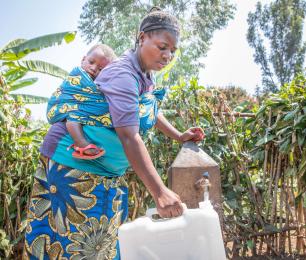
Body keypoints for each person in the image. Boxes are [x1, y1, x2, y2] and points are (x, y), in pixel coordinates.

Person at [23, 7, 204, 259]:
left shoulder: (144, 75)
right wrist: (159, 191)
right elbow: (129, 135)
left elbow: (148, 107)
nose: (168, 55)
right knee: (68, 247)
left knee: (98, 248)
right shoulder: (123, 74)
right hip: (71, 170)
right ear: (142, 38)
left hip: (103, 173)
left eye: (173, 50)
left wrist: (178, 135)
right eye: (162, 46)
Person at [46, 44, 116, 160]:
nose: (93, 69)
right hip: (65, 107)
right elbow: (70, 93)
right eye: (91, 62)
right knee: (74, 115)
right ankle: (80, 142)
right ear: (83, 59)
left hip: (81, 109)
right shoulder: (78, 75)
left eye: (100, 69)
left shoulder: (100, 86)